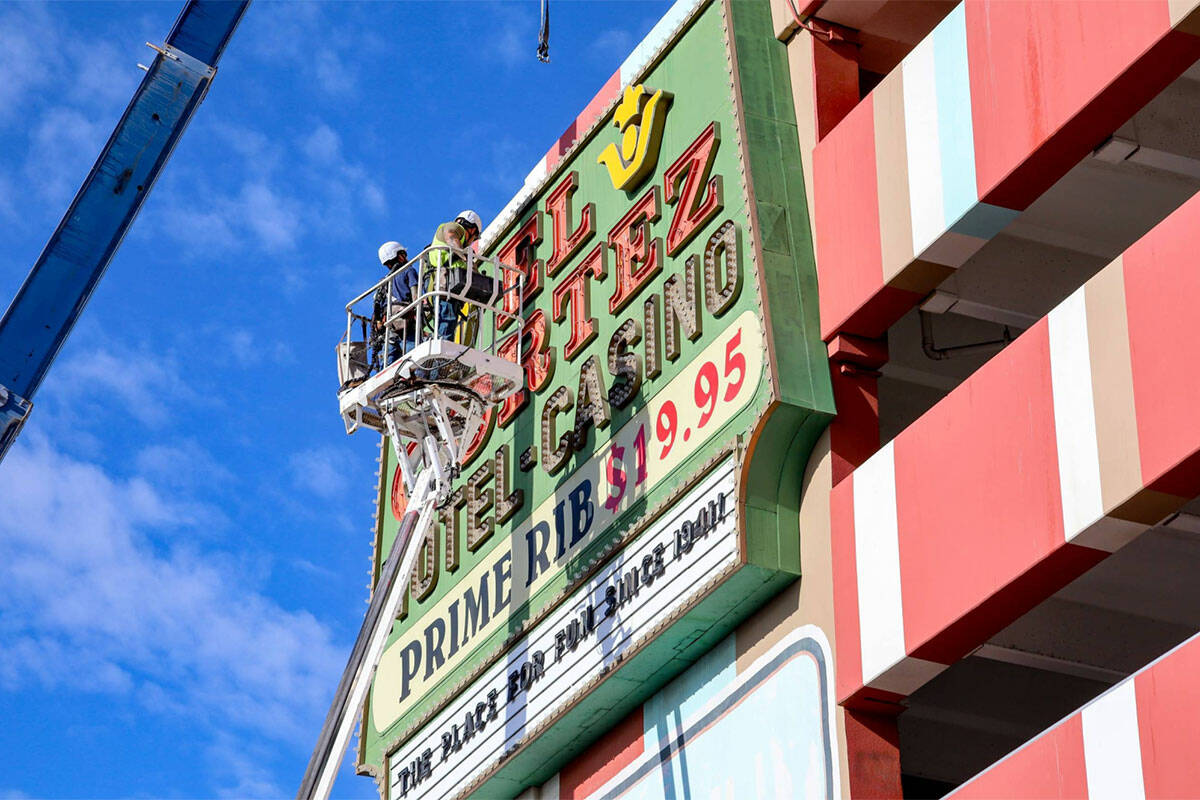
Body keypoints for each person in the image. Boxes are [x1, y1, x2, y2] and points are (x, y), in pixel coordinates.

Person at [427, 210, 483, 343]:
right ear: (472, 229)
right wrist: (465, 257)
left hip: (446, 286)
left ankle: (442, 354)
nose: (472, 242)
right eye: (474, 237)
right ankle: (442, 359)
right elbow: (451, 237)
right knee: (447, 322)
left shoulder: (458, 248)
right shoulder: (455, 228)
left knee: (448, 323)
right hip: (446, 285)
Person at [372, 241, 415, 367]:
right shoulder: (409, 271)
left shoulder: (384, 282)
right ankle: (418, 377)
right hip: (406, 323)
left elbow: (377, 307)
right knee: (414, 357)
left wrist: (379, 323)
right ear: (400, 255)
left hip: (389, 326)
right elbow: (416, 295)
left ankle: (389, 386)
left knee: (388, 366)